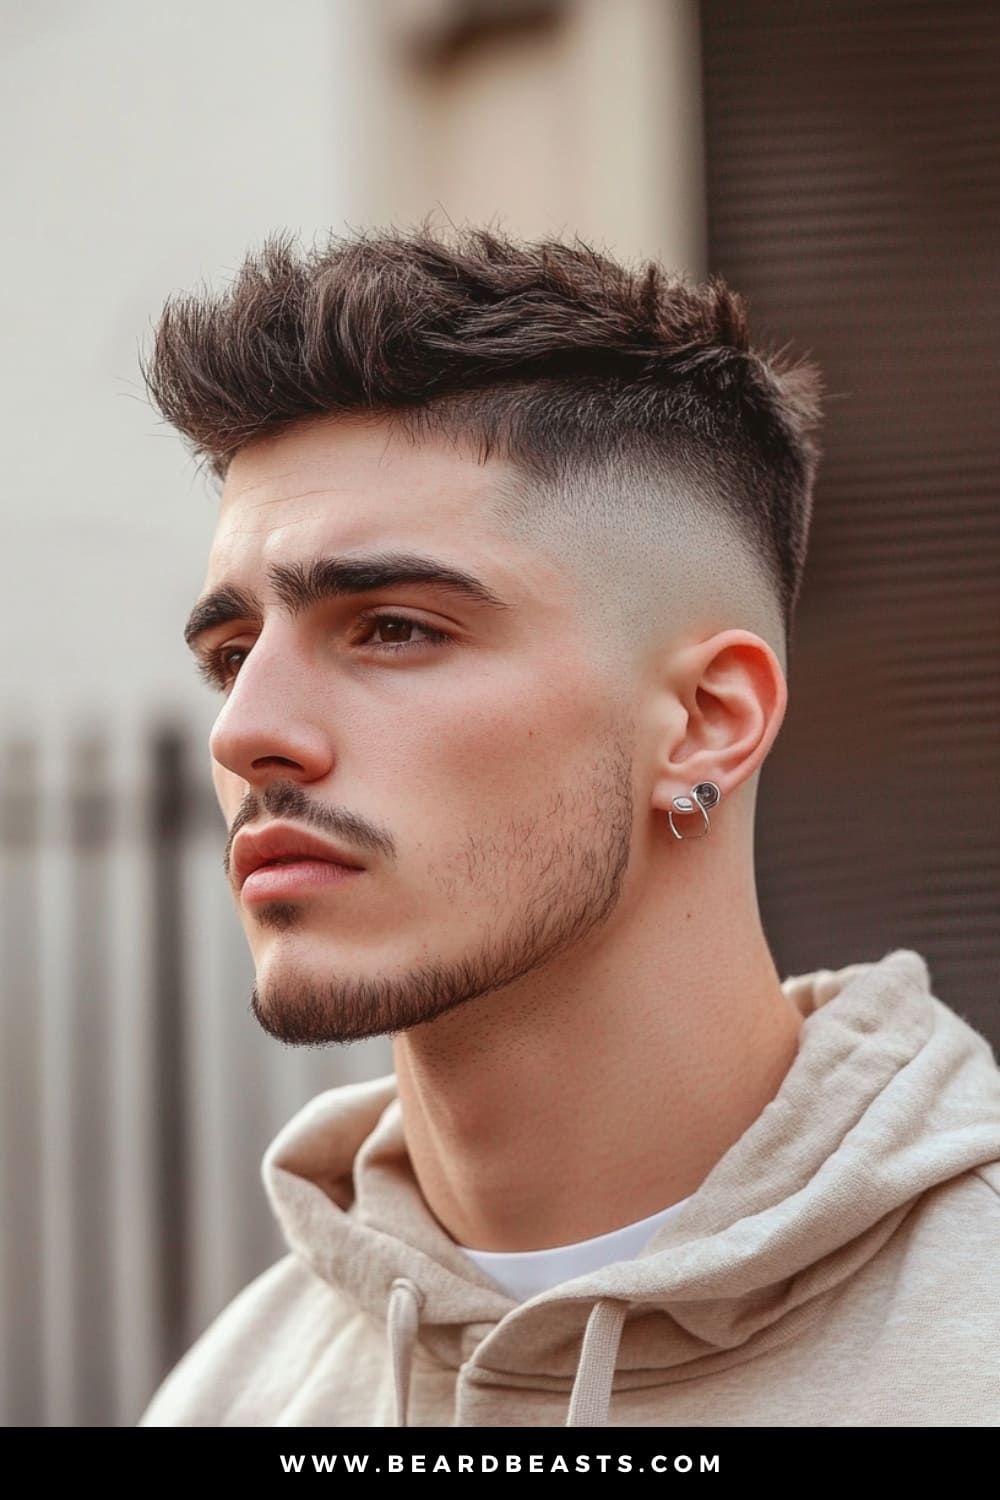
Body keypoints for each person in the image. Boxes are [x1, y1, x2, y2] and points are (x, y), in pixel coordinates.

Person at [138, 225, 1000, 1428]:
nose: (246, 734)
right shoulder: (234, 1396)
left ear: (704, 723)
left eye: (393, 627)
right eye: (232, 657)